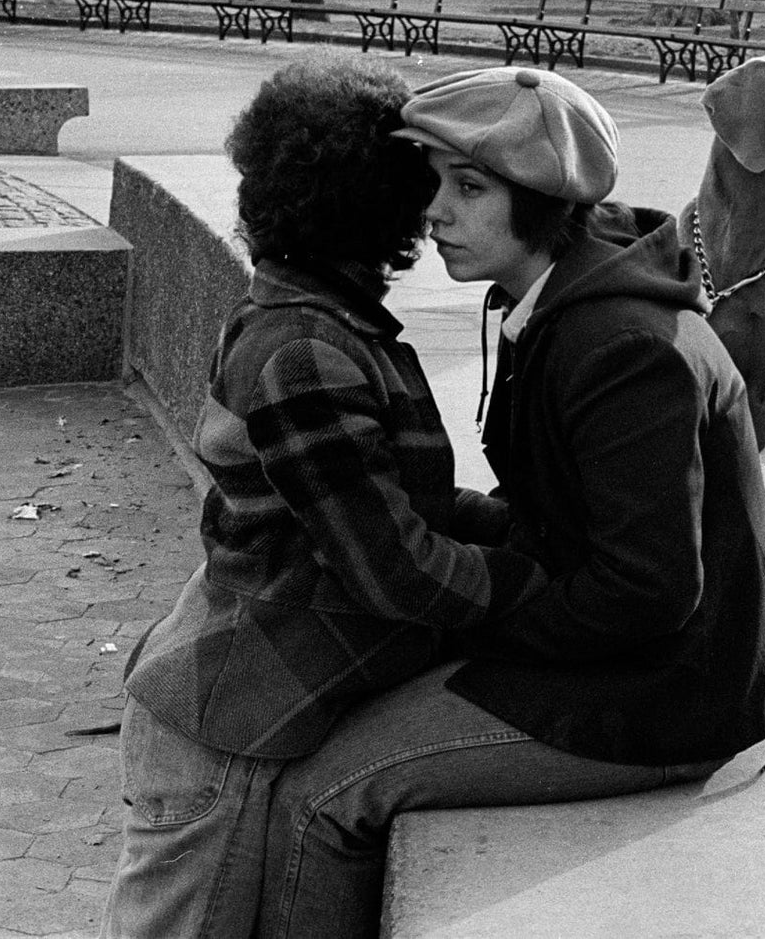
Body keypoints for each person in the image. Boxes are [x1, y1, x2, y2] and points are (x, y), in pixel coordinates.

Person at [256, 67, 765, 939]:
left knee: (320, 795)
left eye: (469, 188)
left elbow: (648, 591)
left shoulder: (619, 347)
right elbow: (562, 514)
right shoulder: (559, 301)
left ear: (544, 198)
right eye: (435, 184)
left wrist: (464, 615)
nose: (435, 212)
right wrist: (441, 535)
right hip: (637, 655)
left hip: (676, 692)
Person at [98, 58, 549, 939]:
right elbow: (395, 567)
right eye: (427, 184)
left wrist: (509, 525)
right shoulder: (306, 349)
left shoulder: (314, 319)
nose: (437, 209)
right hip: (221, 730)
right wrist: (547, 585)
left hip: (241, 711)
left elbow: (388, 500)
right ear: (379, 202)